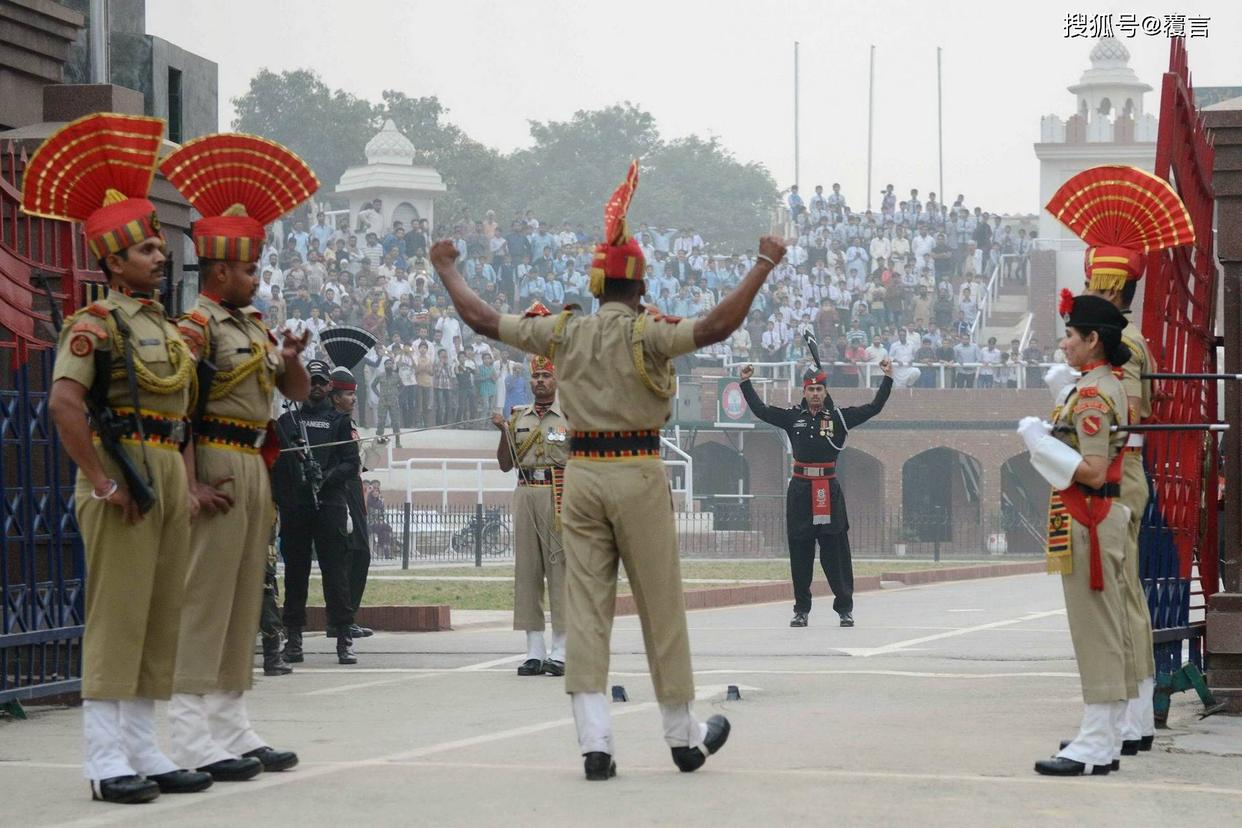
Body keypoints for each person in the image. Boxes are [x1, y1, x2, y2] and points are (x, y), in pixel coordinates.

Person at [431, 161, 785, 780]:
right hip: (638, 469)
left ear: (595, 286)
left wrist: (447, 268)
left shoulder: (564, 331)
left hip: (582, 475)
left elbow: (484, 321)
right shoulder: (651, 331)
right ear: (640, 287)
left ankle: (595, 742)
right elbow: (719, 326)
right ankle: (683, 735)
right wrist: (763, 265)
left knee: (586, 608)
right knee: (660, 605)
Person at [29, 113, 212, 803]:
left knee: (158, 613)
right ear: (112, 262)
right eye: (145, 251)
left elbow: (183, 409)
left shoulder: (164, 326)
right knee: (118, 615)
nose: (160, 259)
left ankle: (144, 746)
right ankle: (105, 758)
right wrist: (104, 484)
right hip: (121, 474)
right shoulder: (93, 323)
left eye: (161, 249)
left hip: (162, 466)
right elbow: (65, 408)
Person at [160, 132, 315, 780]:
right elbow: (179, 410)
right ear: (217, 270)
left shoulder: (253, 324)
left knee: (243, 596)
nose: (256, 278)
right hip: (217, 462)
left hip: (254, 464)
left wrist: (292, 360)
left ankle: (231, 722)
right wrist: (190, 482)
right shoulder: (195, 327)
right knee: (205, 599)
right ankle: (190, 731)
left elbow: (294, 394)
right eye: (248, 268)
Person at [1043, 165, 1197, 758]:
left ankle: (1123, 721)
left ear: (1109, 286)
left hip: (1113, 474)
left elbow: (1118, 416)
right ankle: (1129, 718)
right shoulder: (1129, 344)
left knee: (1115, 599)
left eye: (1094, 282)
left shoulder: (1121, 346)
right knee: (1126, 596)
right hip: (1122, 469)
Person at [1020, 292, 1136, 777]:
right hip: (1096, 515)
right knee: (1107, 629)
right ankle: (1104, 739)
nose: (1064, 344)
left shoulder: (1091, 395)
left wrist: (1040, 445)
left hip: (1088, 515)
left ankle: (1094, 743)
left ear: (1093, 340)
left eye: (1071, 335)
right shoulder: (1098, 386)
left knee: (1096, 634)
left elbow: (1090, 469)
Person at [739, 359, 893, 628]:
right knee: (800, 552)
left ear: (825, 392)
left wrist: (888, 378)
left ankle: (844, 608)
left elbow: (874, 408)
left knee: (835, 552)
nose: (815, 395)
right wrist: (745, 383)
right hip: (800, 491)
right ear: (804, 392)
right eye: (810, 390)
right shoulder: (792, 418)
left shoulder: (838, 419)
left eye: (819, 390)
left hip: (828, 490)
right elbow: (761, 410)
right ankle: (801, 610)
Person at [272, 359, 362, 666]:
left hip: (330, 504)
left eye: (322, 382)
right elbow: (277, 464)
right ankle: (294, 638)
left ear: (329, 386)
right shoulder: (287, 421)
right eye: (312, 382)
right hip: (297, 507)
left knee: (335, 573)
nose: (317, 387)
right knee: (296, 574)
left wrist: (324, 477)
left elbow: (352, 464)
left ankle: (342, 638)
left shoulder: (339, 421)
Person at [493, 334, 570, 676]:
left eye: (546, 376)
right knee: (527, 572)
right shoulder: (518, 417)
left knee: (560, 572)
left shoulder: (570, 417)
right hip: (525, 493)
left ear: (556, 379)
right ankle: (534, 651)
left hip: (559, 496)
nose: (540, 381)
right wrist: (502, 431)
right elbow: (505, 465)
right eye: (535, 376)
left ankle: (562, 650)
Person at [329, 367, 374, 638]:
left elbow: (355, 462)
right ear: (335, 397)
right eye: (348, 394)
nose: (353, 399)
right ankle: (340, 620)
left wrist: (371, 458)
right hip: (342, 490)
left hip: (355, 488)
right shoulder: (335, 424)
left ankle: (347, 616)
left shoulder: (349, 423)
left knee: (360, 554)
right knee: (349, 554)